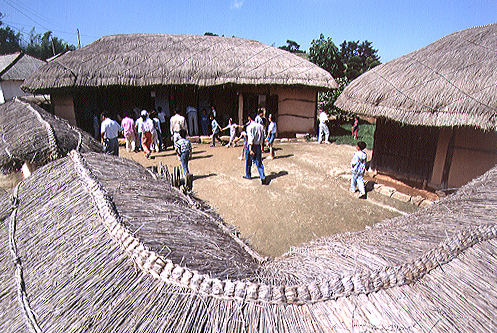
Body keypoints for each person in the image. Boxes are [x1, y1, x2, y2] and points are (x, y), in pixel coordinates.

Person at [245, 112, 267, 185]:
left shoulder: (249, 127)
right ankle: (262, 176)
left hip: (252, 145)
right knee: (259, 162)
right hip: (258, 145)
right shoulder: (260, 126)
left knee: (248, 161)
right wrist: (262, 145)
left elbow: (250, 138)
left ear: (249, 118)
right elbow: (263, 136)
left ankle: (248, 175)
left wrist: (250, 149)